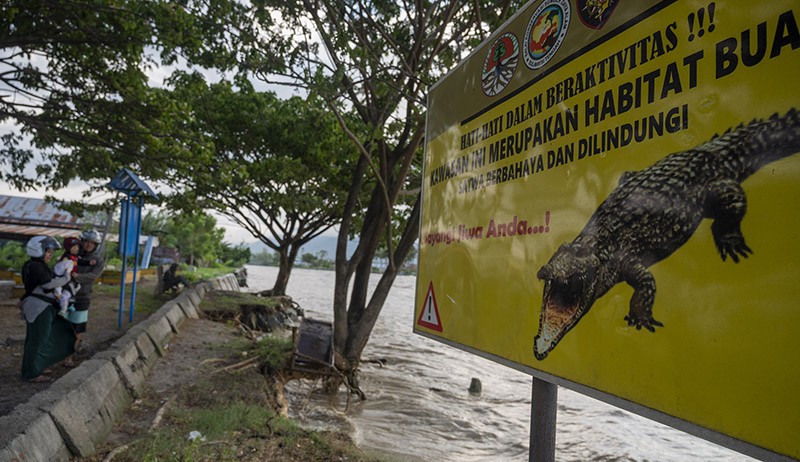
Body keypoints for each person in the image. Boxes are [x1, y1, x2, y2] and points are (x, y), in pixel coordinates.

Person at [19, 236, 76, 382]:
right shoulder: (35, 266)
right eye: (48, 251)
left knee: (42, 338)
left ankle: (37, 366)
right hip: (39, 307)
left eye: (51, 252)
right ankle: (31, 373)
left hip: (43, 306)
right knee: (38, 340)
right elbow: (48, 285)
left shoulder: (37, 266)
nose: (50, 255)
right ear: (39, 250)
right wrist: (66, 278)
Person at [69, 229, 105, 355]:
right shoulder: (73, 255)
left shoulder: (98, 260)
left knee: (78, 328)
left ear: (95, 245)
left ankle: (70, 355)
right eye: (86, 242)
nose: (89, 245)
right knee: (63, 325)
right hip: (66, 295)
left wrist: (76, 276)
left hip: (83, 296)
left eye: (92, 243)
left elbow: (93, 275)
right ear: (82, 242)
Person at [52, 237, 82, 319]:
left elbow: (81, 262)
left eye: (77, 247)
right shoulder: (67, 257)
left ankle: (68, 306)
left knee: (70, 292)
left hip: (71, 279)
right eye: (74, 246)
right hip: (63, 278)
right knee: (62, 294)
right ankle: (63, 309)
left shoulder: (76, 257)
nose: (76, 249)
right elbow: (64, 266)